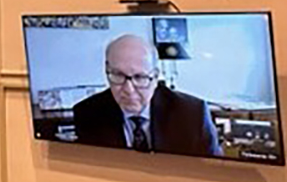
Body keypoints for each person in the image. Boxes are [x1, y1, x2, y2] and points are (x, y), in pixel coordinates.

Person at [73, 34, 222, 156]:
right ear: (107, 70)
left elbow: (214, 170)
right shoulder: (87, 113)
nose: (128, 90)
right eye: (118, 75)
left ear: (156, 76)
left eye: (139, 77)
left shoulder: (192, 113)